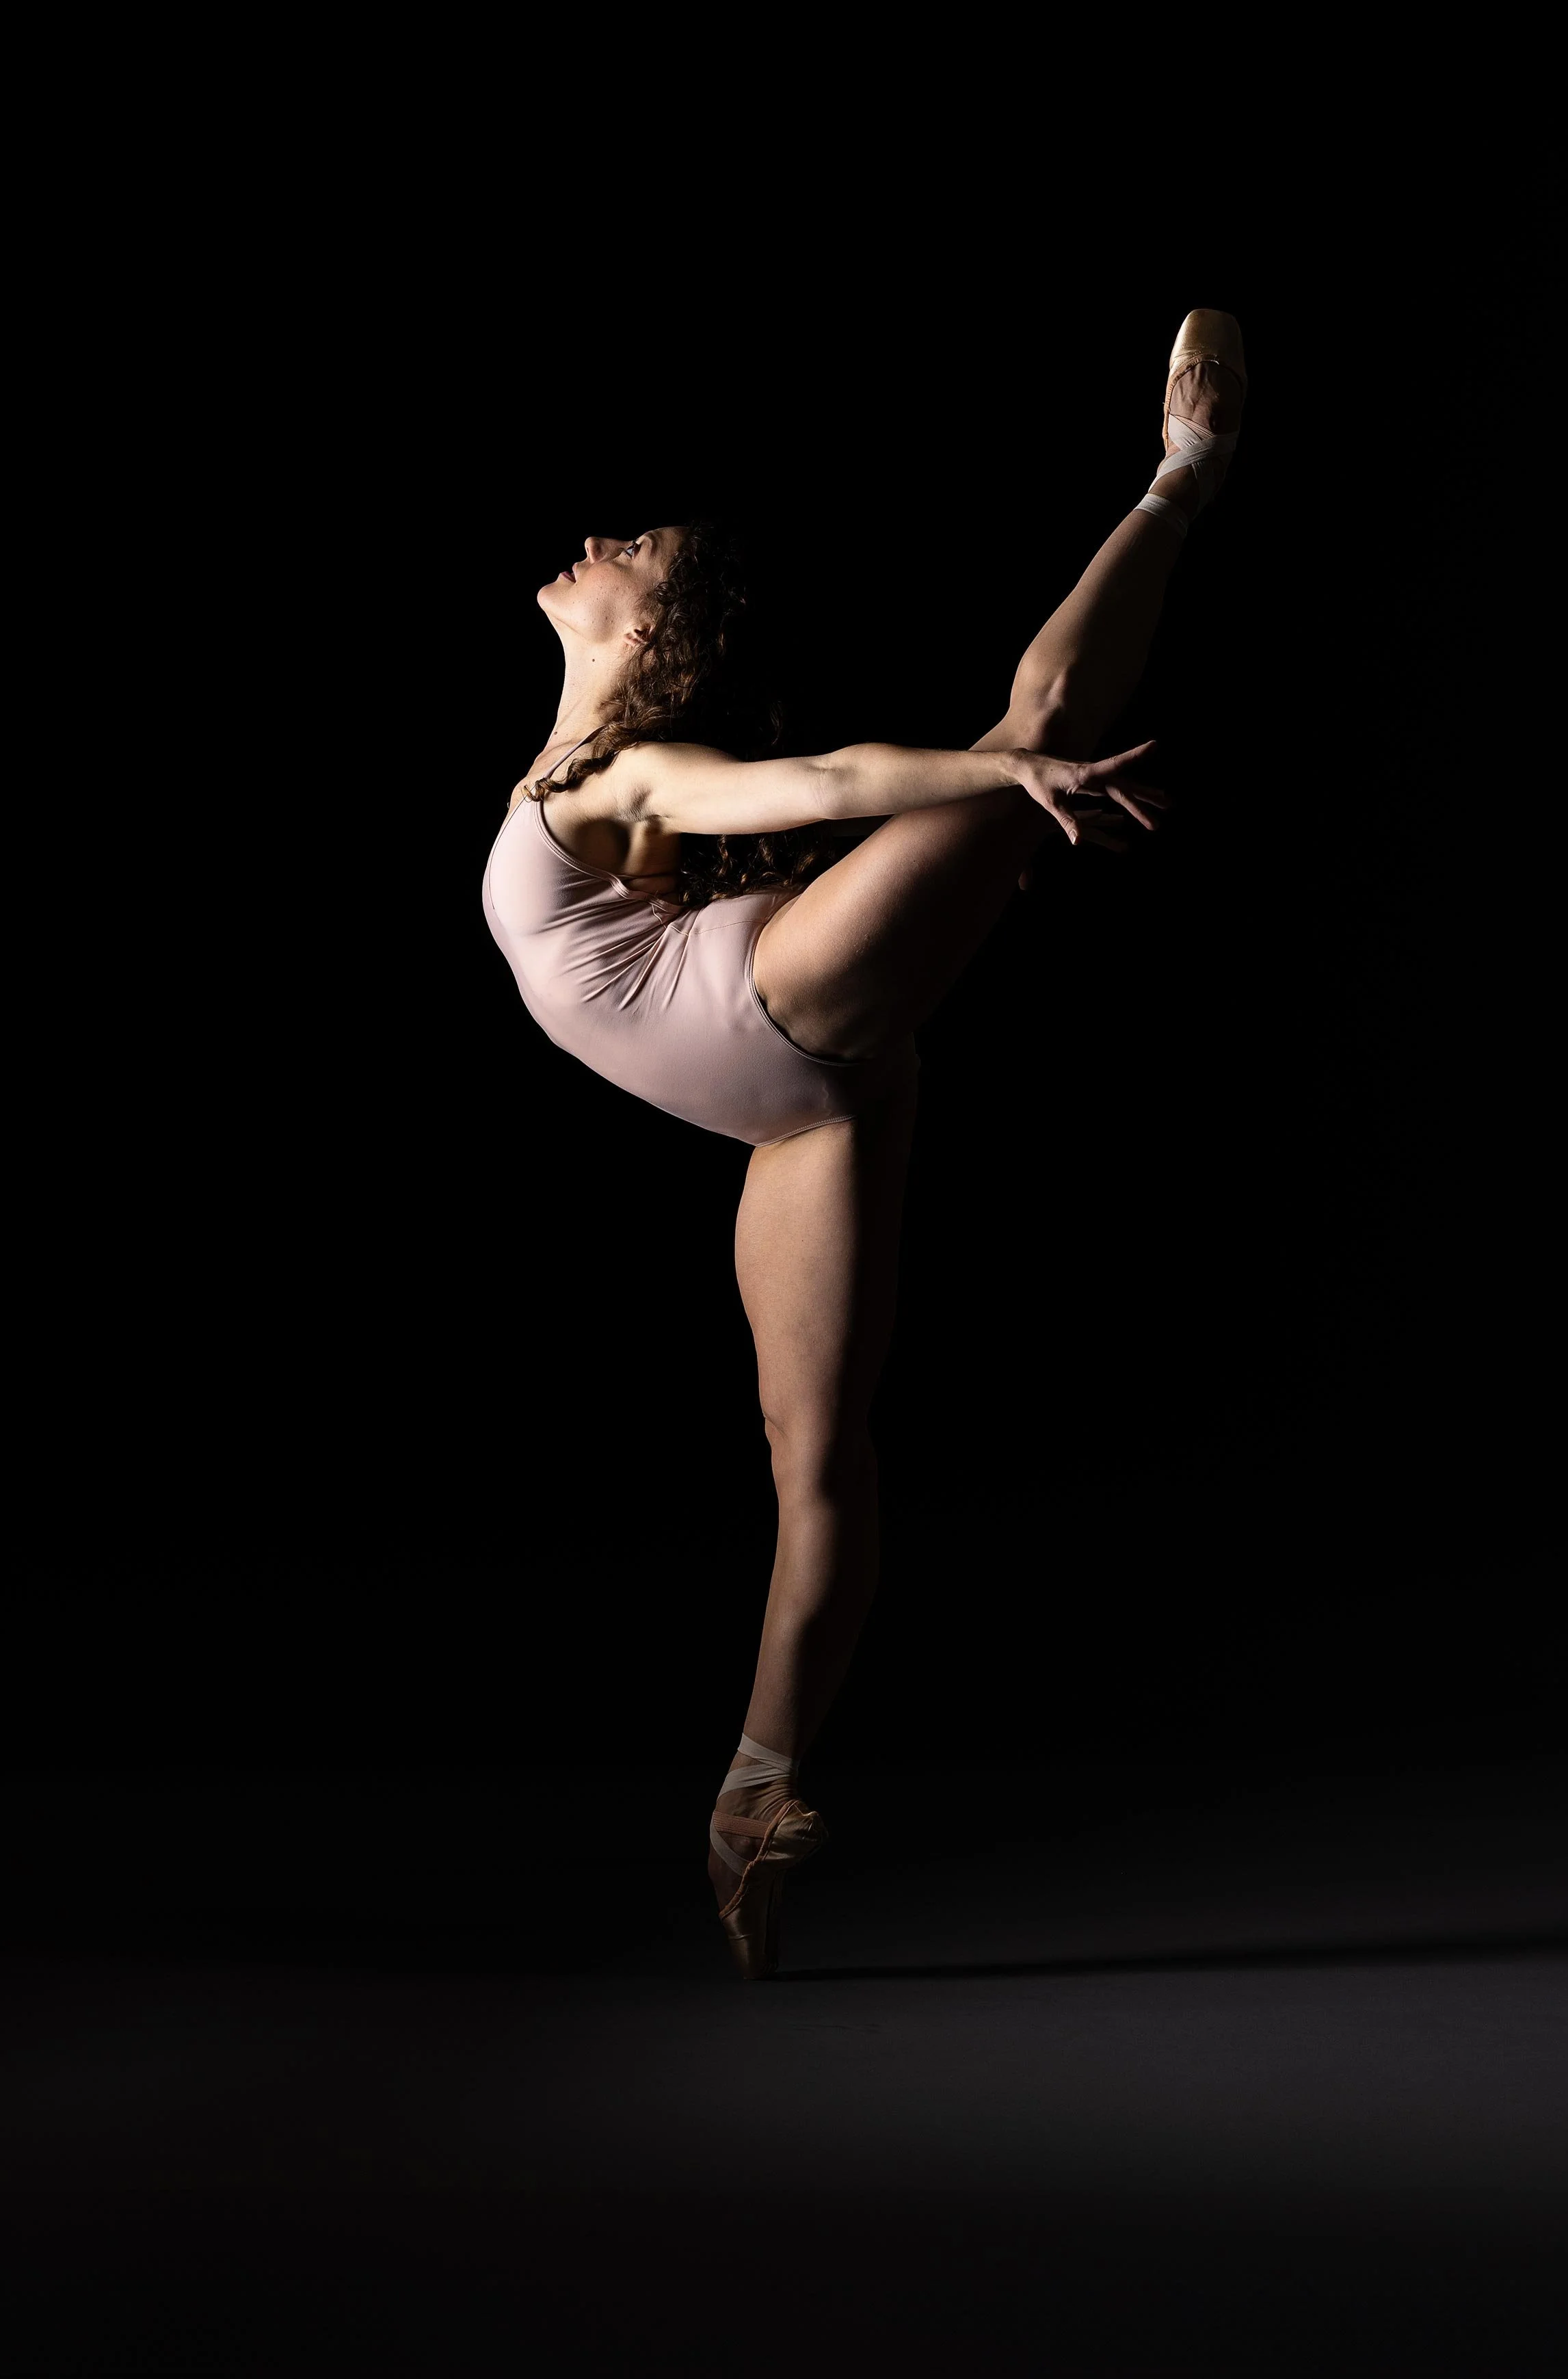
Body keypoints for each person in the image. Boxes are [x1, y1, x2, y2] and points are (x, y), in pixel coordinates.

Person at [483, 311, 1247, 1978]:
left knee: (1010, 743)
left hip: (773, 1007)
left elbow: (823, 778)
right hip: (808, 1100)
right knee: (812, 1462)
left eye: (640, 543)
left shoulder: (634, 773)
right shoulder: (586, 766)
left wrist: (995, 781)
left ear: (658, 614)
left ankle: (1183, 477)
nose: (601, 538)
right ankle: (756, 1798)